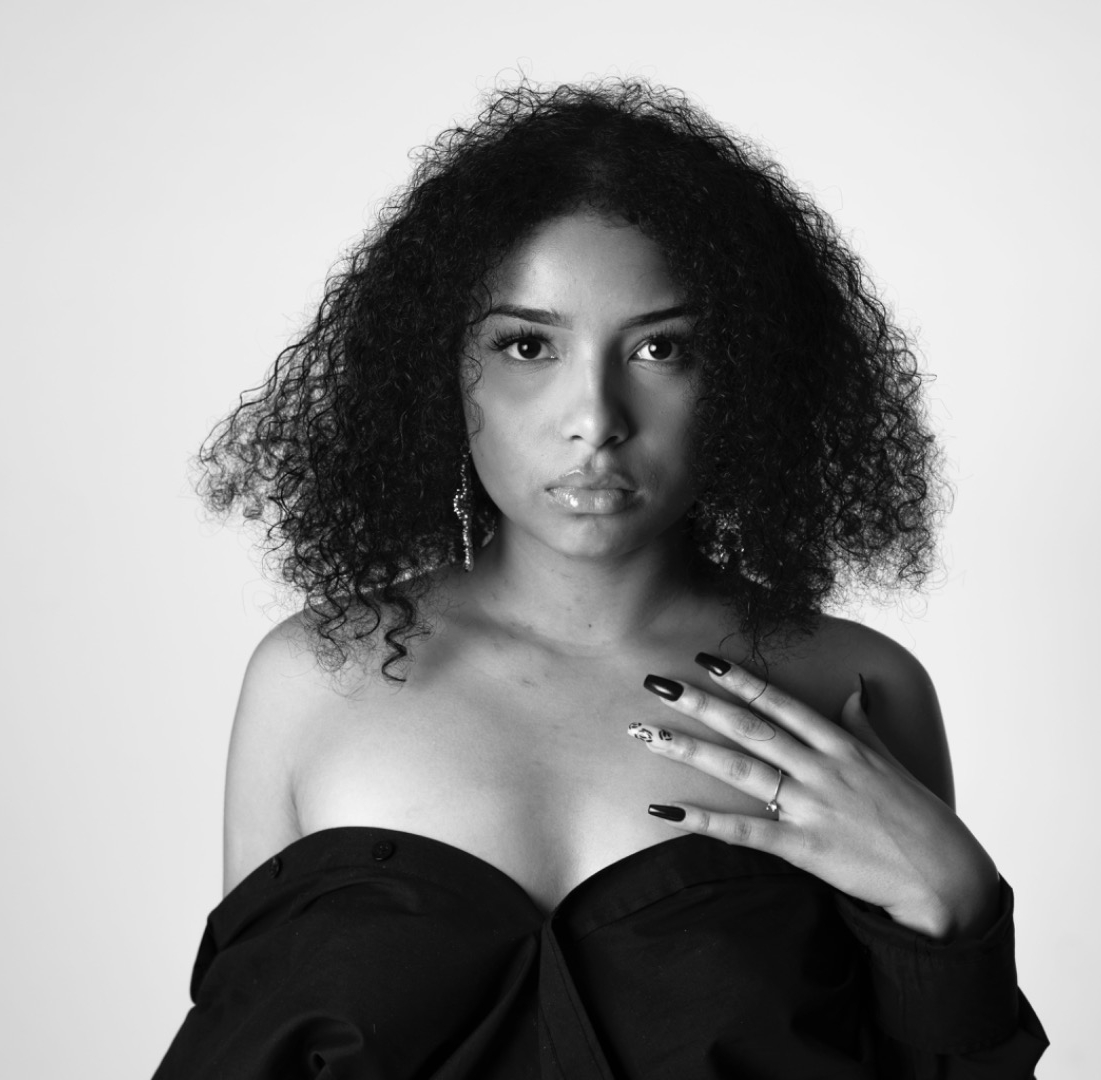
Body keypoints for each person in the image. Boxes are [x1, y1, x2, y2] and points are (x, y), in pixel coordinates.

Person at [155, 79, 1049, 1078]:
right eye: (527, 345)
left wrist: (956, 904)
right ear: (435, 367)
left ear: (748, 374)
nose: (595, 418)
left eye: (662, 348)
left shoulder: (854, 689)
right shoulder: (316, 679)